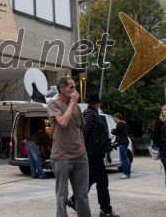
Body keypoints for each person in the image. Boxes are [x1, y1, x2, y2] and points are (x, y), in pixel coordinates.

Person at [69, 94, 118, 217]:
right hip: (93, 155)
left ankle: (74, 200)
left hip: (93, 153)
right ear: (97, 103)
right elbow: (83, 134)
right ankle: (105, 210)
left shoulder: (90, 113)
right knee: (102, 182)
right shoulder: (91, 114)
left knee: (90, 180)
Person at [48, 77, 91, 217]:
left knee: (82, 196)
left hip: (80, 156)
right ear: (62, 89)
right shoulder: (53, 105)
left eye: (74, 87)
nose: (75, 91)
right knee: (62, 196)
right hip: (61, 157)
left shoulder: (78, 108)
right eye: (71, 87)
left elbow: (79, 130)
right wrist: (72, 104)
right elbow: (63, 123)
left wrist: (83, 149)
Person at [112, 113, 130, 179]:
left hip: (123, 143)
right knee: (124, 158)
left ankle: (126, 174)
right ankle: (128, 172)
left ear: (117, 118)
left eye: (114, 117)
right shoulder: (123, 123)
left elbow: (115, 132)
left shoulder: (119, 124)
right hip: (124, 142)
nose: (114, 119)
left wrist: (112, 131)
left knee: (123, 159)